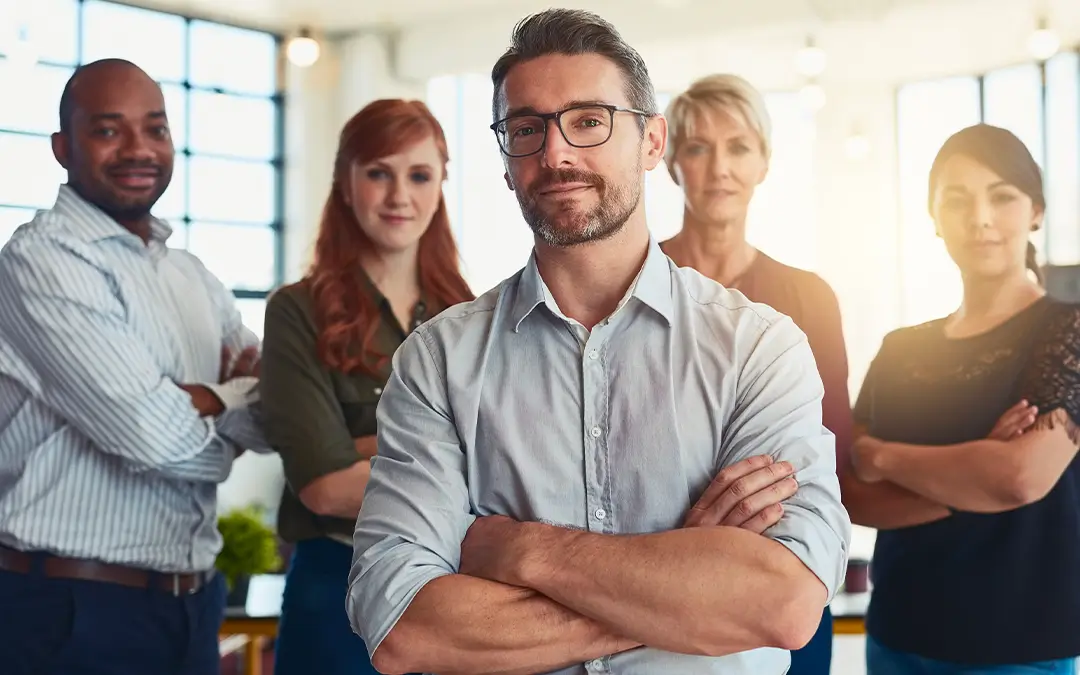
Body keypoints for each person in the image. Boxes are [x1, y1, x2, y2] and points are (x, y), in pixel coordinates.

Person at [346, 9, 851, 675]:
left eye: (589, 121)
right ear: (505, 161)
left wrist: (521, 551)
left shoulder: (758, 347)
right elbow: (404, 627)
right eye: (526, 128)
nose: (556, 152)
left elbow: (781, 602)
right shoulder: (437, 362)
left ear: (650, 141)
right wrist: (680, 583)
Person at [0, 59, 267, 675]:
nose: (139, 149)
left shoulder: (191, 277)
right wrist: (227, 403)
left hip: (193, 604)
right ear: (62, 147)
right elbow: (152, 436)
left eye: (156, 128)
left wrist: (199, 399)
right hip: (69, 611)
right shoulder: (40, 261)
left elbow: (273, 418)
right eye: (108, 130)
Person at [848, 124, 1080, 674]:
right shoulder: (900, 348)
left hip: (1021, 646)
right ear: (934, 218)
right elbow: (854, 496)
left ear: (1036, 211)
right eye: (957, 200)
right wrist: (973, 469)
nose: (979, 218)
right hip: (898, 633)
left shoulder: (1067, 331)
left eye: (1001, 196)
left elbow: (1019, 478)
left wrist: (884, 456)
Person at [260, 98, 474, 675]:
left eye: (419, 175)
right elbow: (325, 488)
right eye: (378, 172)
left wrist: (365, 448)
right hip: (335, 588)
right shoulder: (296, 312)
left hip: (454, 588)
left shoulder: (472, 316)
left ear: (440, 184)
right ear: (345, 182)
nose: (399, 195)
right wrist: (448, 465)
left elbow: (513, 462)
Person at [658, 73, 853, 675]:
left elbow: (833, 447)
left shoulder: (808, 296)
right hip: (660, 574)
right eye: (698, 147)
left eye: (739, 147)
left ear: (764, 162)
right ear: (670, 162)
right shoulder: (631, 286)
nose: (720, 167)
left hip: (783, 571)